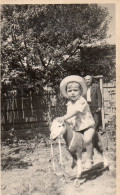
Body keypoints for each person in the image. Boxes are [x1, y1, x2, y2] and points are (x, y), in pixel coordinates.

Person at [57, 75, 95, 170]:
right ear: (66, 93)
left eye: (75, 90)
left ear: (81, 91)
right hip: (77, 127)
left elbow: (76, 111)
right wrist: (64, 121)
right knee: (69, 143)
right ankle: (75, 159)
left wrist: (64, 117)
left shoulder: (82, 101)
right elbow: (69, 115)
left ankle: (89, 159)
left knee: (87, 140)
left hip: (87, 125)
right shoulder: (69, 104)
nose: (72, 93)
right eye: (70, 91)